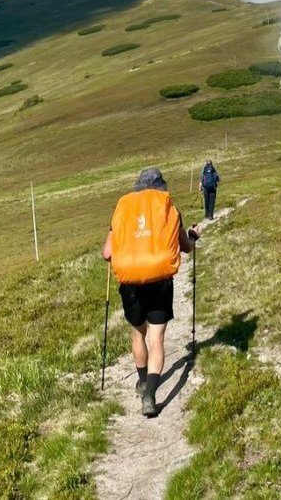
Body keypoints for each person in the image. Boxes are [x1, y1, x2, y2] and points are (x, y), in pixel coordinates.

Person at [103, 167, 199, 418]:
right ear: (160, 188)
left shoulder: (122, 210)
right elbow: (186, 248)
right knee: (156, 338)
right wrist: (193, 237)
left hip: (131, 283)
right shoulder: (169, 209)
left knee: (138, 333)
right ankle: (150, 395)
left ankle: (143, 381)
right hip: (159, 280)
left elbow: (107, 254)